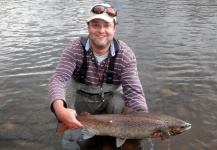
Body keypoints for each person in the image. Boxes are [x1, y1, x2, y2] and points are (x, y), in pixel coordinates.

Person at [48, 3, 160, 150]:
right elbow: (58, 79)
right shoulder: (74, 49)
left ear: (114, 28)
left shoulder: (125, 55)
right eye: (95, 25)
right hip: (82, 105)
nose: (101, 31)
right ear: (88, 27)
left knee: (120, 103)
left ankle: (112, 140)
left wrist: (146, 123)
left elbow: (134, 92)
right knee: (72, 143)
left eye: (106, 25)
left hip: (113, 109)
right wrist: (60, 109)